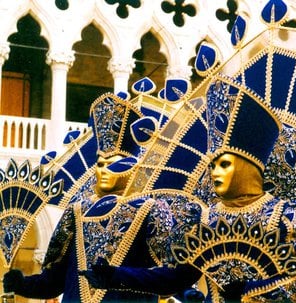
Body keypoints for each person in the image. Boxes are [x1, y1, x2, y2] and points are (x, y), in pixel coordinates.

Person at [80, 82, 296, 302]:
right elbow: (174, 278)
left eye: (224, 164)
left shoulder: (293, 218)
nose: (215, 173)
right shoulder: (205, 221)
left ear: (247, 167)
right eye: (212, 166)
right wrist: (115, 275)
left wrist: (248, 290)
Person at [2, 93, 174, 302]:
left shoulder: (152, 209)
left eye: (113, 163)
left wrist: (118, 277)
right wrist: (22, 284)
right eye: (100, 163)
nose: (103, 170)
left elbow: (168, 277)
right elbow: (54, 281)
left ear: (133, 167)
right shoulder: (77, 211)